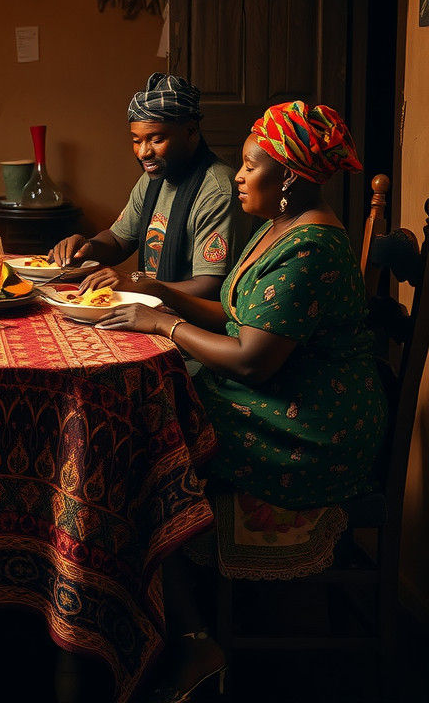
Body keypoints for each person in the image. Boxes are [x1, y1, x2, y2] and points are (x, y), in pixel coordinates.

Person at [95, 101, 388, 702]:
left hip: (310, 430)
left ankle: (193, 639)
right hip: (283, 404)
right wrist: (157, 292)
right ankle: (154, 618)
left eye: (252, 165)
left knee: (150, 448)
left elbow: (254, 358)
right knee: (149, 422)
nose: (239, 175)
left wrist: (162, 325)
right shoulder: (280, 226)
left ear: (291, 177)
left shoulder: (310, 248)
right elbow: (236, 314)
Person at [50, 73, 251, 300]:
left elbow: (211, 287)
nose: (143, 152)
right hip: (152, 305)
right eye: (136, 141)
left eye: (156, 140)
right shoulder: (153, 178)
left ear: (191, 131)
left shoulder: (218, 190)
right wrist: (88, 247)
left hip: (191, 315)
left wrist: (136, 285)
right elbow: (119, 241)